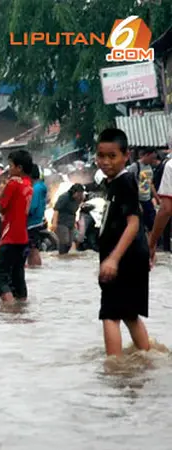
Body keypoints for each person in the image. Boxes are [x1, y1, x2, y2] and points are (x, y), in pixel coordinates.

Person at [95, 128, 151, 357]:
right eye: (101, 155)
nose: (105, 162)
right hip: (130, 256)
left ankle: (115, 369)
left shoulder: (125, 182)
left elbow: (133, 223)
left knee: (110, 314)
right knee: (129, 314)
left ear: (126, 155)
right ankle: (146, 357)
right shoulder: (115, 183)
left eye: (112, 156)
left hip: (124, 259)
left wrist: (113, 259)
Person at [0, 150, 33, 303]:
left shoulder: (13, 183)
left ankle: (10, 309)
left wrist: (0, 193)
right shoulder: (29, 184)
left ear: (19, 168)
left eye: (10, 165)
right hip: (23, 237)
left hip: (10, 236)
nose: (9, 169)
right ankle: (22, 309)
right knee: (18, 278)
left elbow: (1, 207)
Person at [127, 148, 160, 236]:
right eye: (151, 158)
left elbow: (151, 184)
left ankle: (150, 245)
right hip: (138, 200)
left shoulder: (149, 167)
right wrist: (136, 202)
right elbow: (129, 186)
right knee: (138, 225)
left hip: (147, 200)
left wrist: (157, 199)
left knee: (152, 223)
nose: (153, 160)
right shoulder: (135, 166)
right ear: (146, 155)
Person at [52, 183, 84, 255]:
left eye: (81, 194)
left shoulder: (80, 198)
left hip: (71, 222)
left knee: (70, 243)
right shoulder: (64, 197)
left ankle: (65, 257)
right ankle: (61, 256)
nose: (79, 196)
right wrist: (54, 223)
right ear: (73, 192)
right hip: (61, 222)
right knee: (64, 241)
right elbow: (56, 210)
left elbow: (75, 211)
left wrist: (75, 223)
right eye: (78, 194)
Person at [27, 164, 48, 267]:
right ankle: (35, 270)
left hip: (32, 222)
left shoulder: (36, 188)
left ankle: (35, 268)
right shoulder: (41, 186)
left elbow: (32, 206)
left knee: (33, 249)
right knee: (33, 248)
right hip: (38, 221)